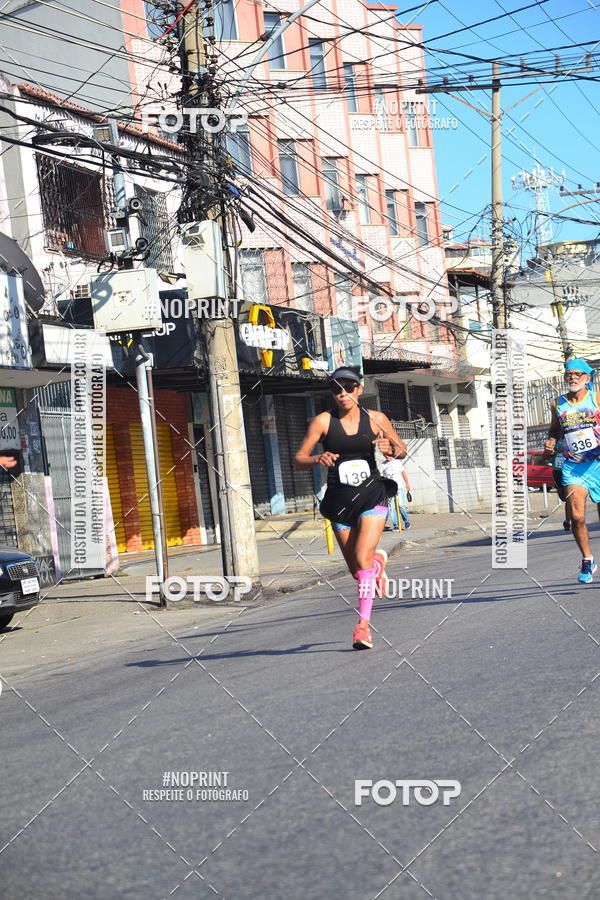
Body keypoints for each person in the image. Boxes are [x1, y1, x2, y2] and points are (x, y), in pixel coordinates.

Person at [295, 366, 407, 650]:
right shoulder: (323, 421)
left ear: (359, 389)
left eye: (348, 387)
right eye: (336, 389)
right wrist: (317, 458)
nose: (342, 393)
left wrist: (390, 448)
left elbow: (401, 448)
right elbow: (299, 458)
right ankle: (378, 564)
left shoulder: (375, 418)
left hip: (372, 495)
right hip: (339, 501)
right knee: (358, 570)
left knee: (361, 554)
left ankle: (363, 627)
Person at [545, 358, 600, 583]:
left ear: (587, 378)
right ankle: (587, 560)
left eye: (577, 374)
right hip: (574, 467)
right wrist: (550, 440)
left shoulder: (596, 399)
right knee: (577, 516)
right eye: (569, 374)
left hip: (599, 464)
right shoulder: (557, 404)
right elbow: (555, 429)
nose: (572, 377)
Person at [381, 451, 411, 531]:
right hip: (389, 489)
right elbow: (381, 476)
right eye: (385, 455)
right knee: (392, 508)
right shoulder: (383, 464)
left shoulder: (397, 462)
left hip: (398, 487)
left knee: (401, 505)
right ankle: (396, 525)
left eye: (388, 455)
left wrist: (407, 483)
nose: (386, 457)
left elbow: (403, 473)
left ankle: (406, 521)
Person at [549, 439, 570, 531]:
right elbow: (545, 456)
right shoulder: (553, 443)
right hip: (557, 472)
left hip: (568, 471)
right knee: (563, 498)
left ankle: (567, 521)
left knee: (569, 497)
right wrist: (554, 451)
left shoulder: (569, 440)